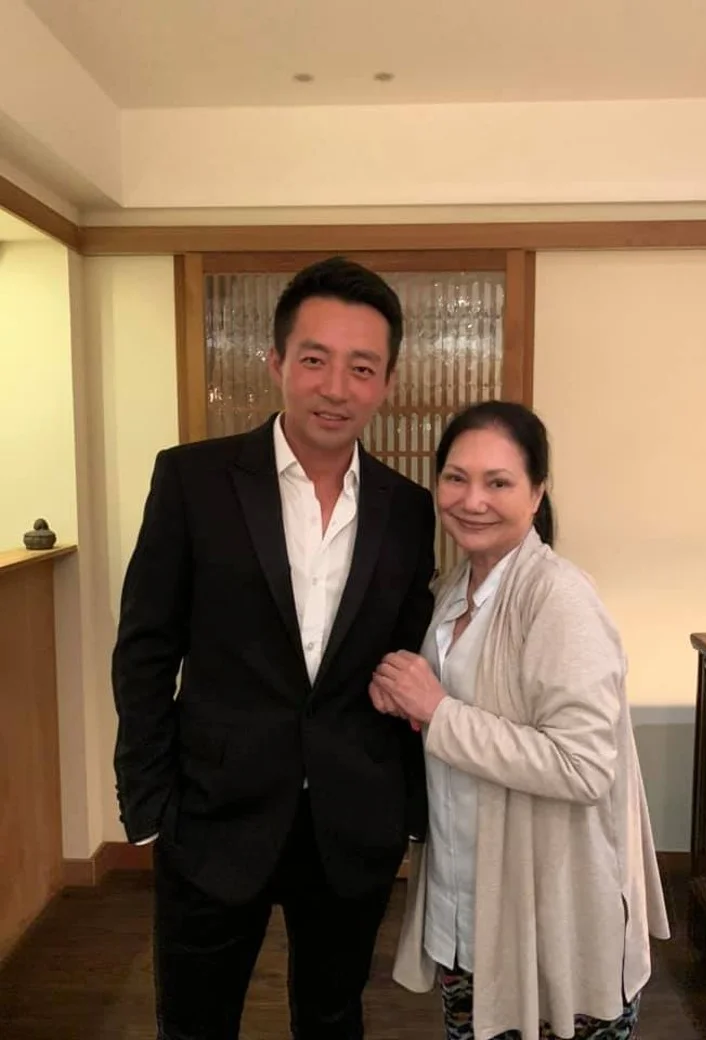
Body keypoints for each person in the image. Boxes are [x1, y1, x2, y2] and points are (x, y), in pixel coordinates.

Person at [111, 257, 436, 1040]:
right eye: (315, 359)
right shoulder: (193, 480)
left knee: (333, 1017)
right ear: (277, 362)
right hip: (211, 815)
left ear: (386, 382)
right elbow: (146, 647)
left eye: (362, 368)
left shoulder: (407, 508)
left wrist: (411, 810)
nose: (336, 387)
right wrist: (149, 803)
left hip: (350, 820)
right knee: (195, 1022)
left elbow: (407, 663)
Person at [370, 400, 670, 1040]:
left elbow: (582, 766)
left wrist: (438, 711)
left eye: (498, 482)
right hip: (466, 903)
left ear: (537, 494)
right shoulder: (453, 590)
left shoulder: (559, 596)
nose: (472, 500)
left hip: (550, 910)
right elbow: (458, 718)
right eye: (456, 478)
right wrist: (404, 696)